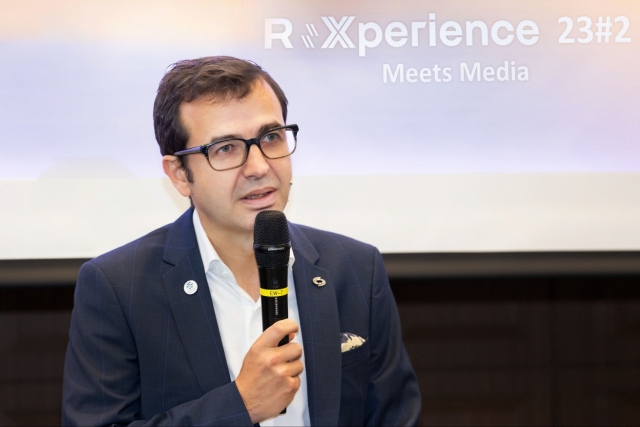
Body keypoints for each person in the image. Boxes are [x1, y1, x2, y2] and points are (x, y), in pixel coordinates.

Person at [62, 56, 421, 426]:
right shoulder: (119, 287)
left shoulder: (356, 269)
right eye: (226, 148)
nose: (259, 167)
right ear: (180, 174)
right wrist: (240, 405)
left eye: (271, 137)